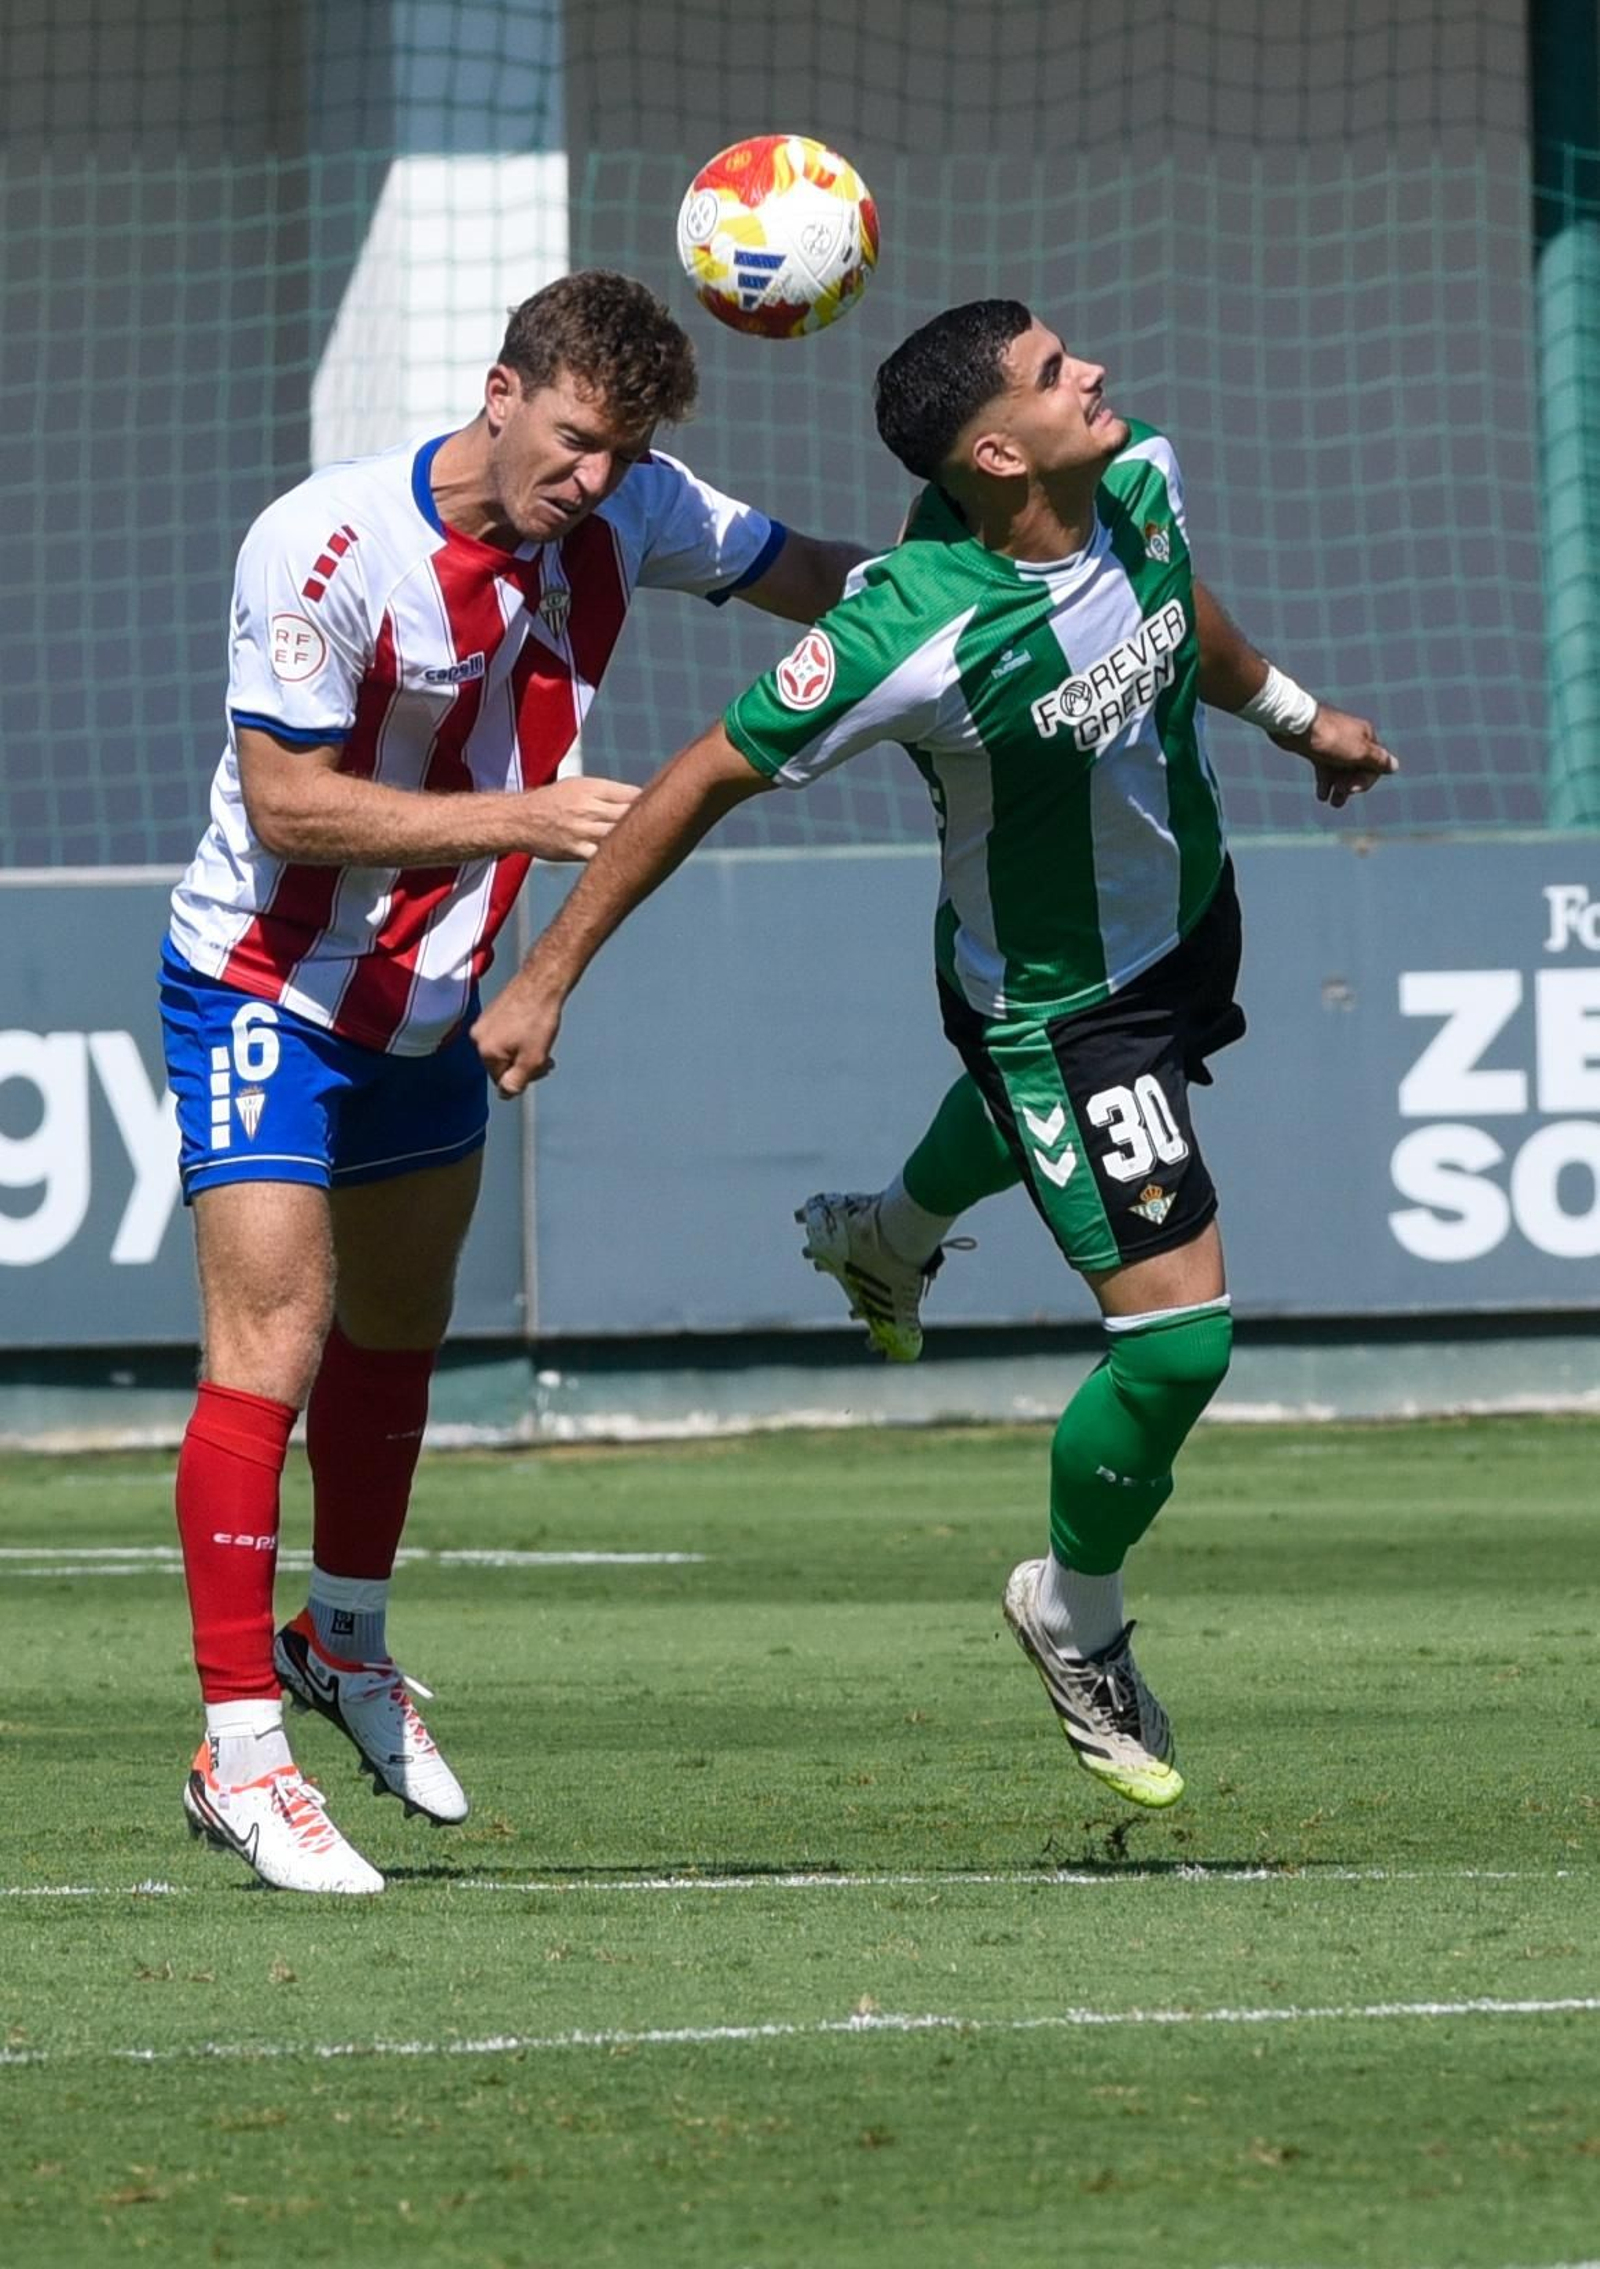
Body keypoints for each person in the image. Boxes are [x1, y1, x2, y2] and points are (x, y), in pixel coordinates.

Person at [471, 297, 1397, 1814]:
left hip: (1188, 925)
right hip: (1055, 1005)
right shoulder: (913, 631)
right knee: (1178, 1345)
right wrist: (547, 976)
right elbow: (704, 776)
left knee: (1036, 1152)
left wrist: (1303, 720)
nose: (1093, 371)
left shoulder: (1139, 479)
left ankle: (889, 1239)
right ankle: (1073, 1610)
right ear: (992, 448)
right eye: (1053, 374)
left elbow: (1184, 614)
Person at [159, 269, 870, 1894]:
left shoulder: (637, 511)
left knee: (399, 1336)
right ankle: (241, 1745)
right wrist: (528, 819)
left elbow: (813, 576)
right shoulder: (325, 543)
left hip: (432, 1004)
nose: (592, 483)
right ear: (500, 389)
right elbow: (287, 807)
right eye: (571, 442)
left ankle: (343, 1644)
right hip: (263, 982)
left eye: (620, 454)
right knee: (271, 1343)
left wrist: (977, 574)